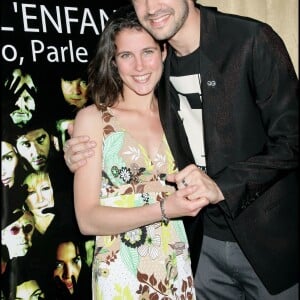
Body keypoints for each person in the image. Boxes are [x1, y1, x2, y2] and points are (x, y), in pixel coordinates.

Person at [64, 1, 299, 299]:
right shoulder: (161, 66)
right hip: (197, 250)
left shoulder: (249, 39)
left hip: (266, 246)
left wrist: (221, 186)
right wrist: (80, 152)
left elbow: (292, 139)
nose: (152, 6)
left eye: (147, 53)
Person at [71, 5, 208, 299]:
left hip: (177, 265)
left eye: (147, 52)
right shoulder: (93, 120)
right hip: (121, 273)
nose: (139, 67)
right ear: (114, 61)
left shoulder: (178, 114)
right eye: (126, 55)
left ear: (163, 53)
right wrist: (163, 210)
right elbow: (87, 219)